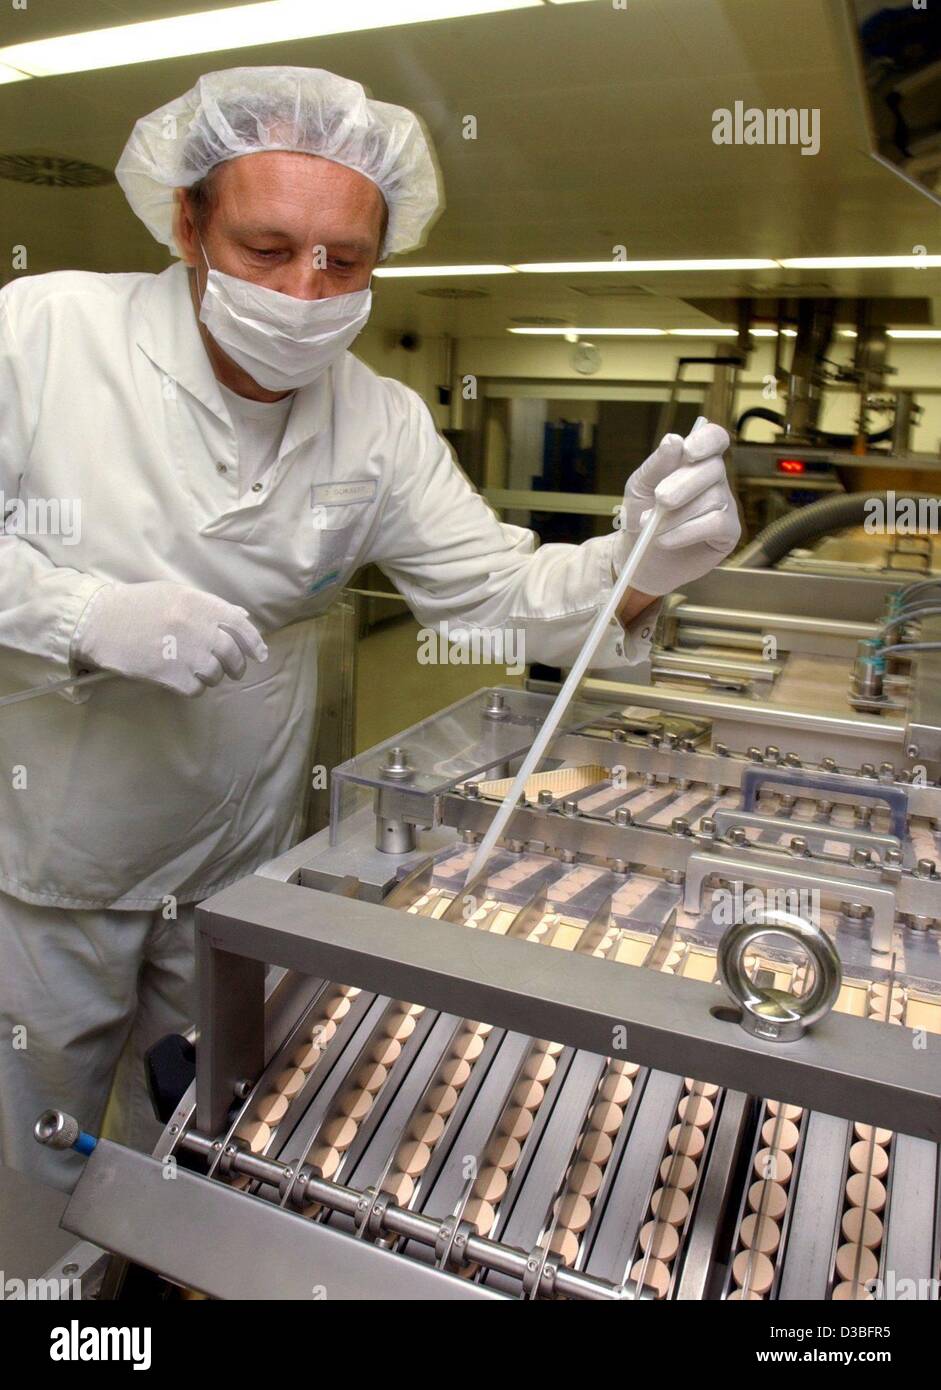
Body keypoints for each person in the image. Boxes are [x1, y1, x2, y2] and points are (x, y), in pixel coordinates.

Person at [0, 66, 739, 1191]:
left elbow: (494, 595)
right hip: (42, 871)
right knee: (37, 1167)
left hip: (231, 862)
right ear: (186, 221)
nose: (306, 288)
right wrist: (83, 611)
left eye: (343, 262)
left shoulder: (380, 420)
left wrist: (643, 563)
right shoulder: (44, 334)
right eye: (266, 247)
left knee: (192, 1143)